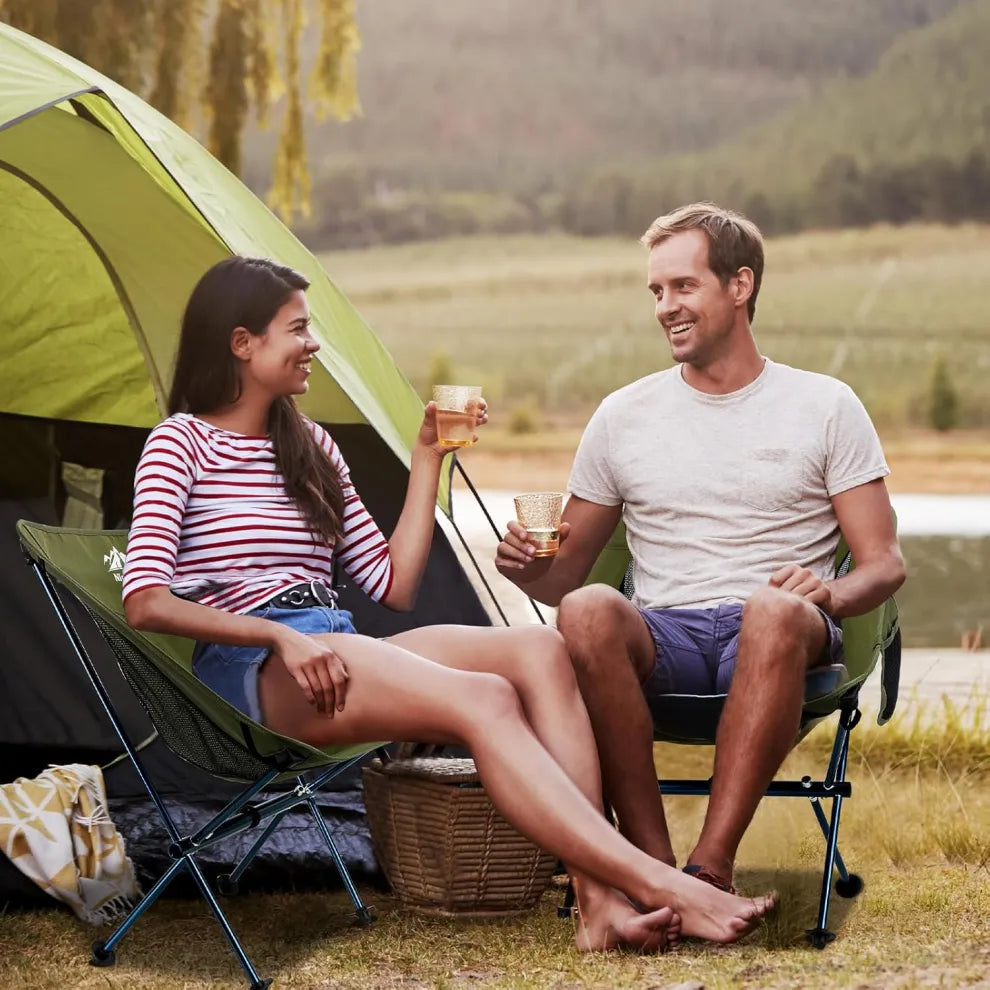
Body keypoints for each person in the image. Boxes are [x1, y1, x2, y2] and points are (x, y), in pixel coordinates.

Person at [121, 256, 775, 954]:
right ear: (242, 342)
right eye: (297, 330)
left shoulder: (310, 446)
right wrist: (277, 639)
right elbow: (146, 601)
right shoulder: (180, 444)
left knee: (539, 648)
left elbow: (391, 584)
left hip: (331, 646)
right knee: (486, 698)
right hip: (254, 669)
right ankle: (665, 885)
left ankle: (599, 906)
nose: (312, 344)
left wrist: (427, 455)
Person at [496, 203, 906, 896]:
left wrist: (828, 595)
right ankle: (652, 868)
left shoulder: (826, 405)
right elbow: (564, 583)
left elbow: (885, 563)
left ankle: (710, 867)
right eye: (656, 291)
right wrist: (528, 569)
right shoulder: (622, 416)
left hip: (783, 633)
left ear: (739, 286)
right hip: (665, 635)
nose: (665, 307)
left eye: (682, 286)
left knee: (772, 611)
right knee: (594, 607)